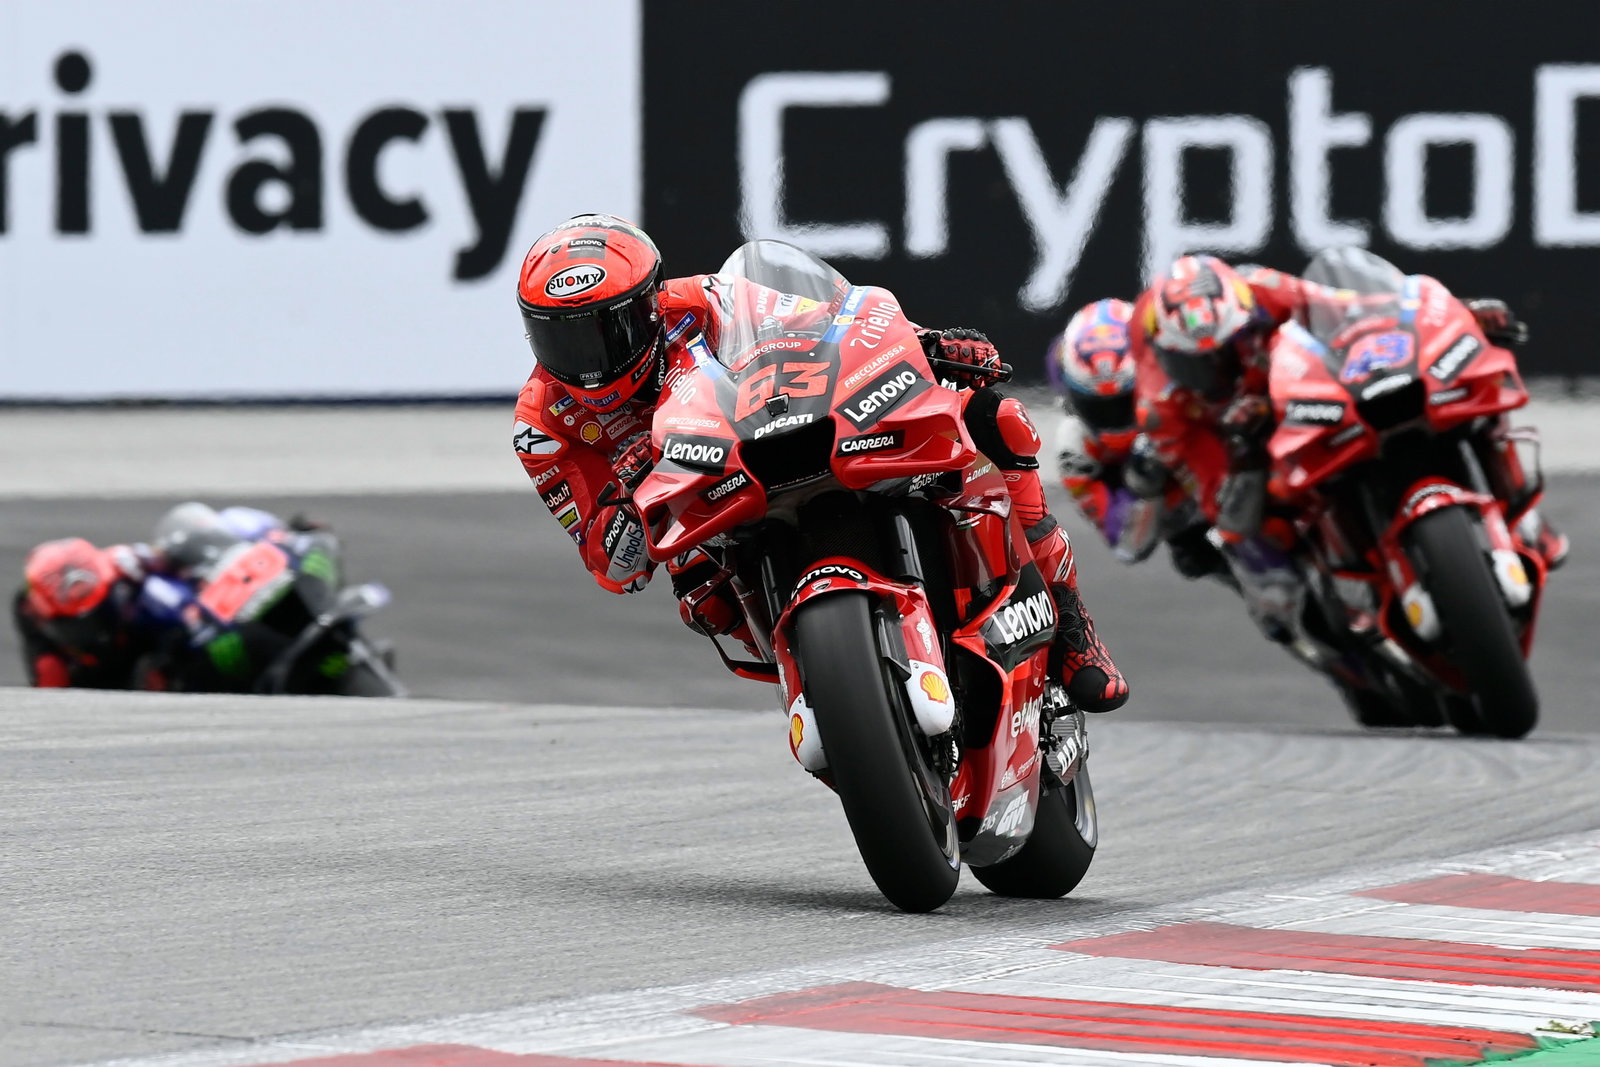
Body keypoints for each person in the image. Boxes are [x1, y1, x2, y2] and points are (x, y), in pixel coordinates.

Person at [511, 213, 1128, 712]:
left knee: (993, 419)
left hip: (778, 434)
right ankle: (826, 696)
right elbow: (611, 565)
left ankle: (1069, 619)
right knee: (707, 603)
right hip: (699, 510)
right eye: (562, 336)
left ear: (648, 304)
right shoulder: (541, 426)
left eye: (605, 330)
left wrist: (927, 343)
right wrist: (627, 503)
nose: (589, 360)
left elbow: (835, 324)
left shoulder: (706, 301)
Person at [1127, 253, 1566, 638]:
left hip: (1294, 389)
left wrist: (1459, 316)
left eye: (1229, 350)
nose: (1219, 369)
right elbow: (1225, 510)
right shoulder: (1161, 407)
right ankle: (1335, 594)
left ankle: (1525, 517)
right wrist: (1244, 457)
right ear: (1166, 355)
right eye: (1198, 362)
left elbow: (1356, 308)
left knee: (1462, 392)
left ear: (1246, 317)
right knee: (1266, 534)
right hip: (1234, 438)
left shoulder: (1265, 291)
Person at [12, 504, 322, 689]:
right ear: (45, 618)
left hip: (179, 634)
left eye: (97, 612)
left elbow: (171, 552)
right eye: (76, 623)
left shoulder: (123, 566)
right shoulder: (51, 661)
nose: (88, 630)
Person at [1051, 298, 1226, 581]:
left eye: (1125, 401)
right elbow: (1128, 545)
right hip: (1188, 521)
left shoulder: (1183, 378)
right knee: (1196, 557)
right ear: (1071, 398)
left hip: (1235, 478)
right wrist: (1146, 482)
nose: (1113, 417)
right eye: (1097, 406)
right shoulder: (1074, 450)